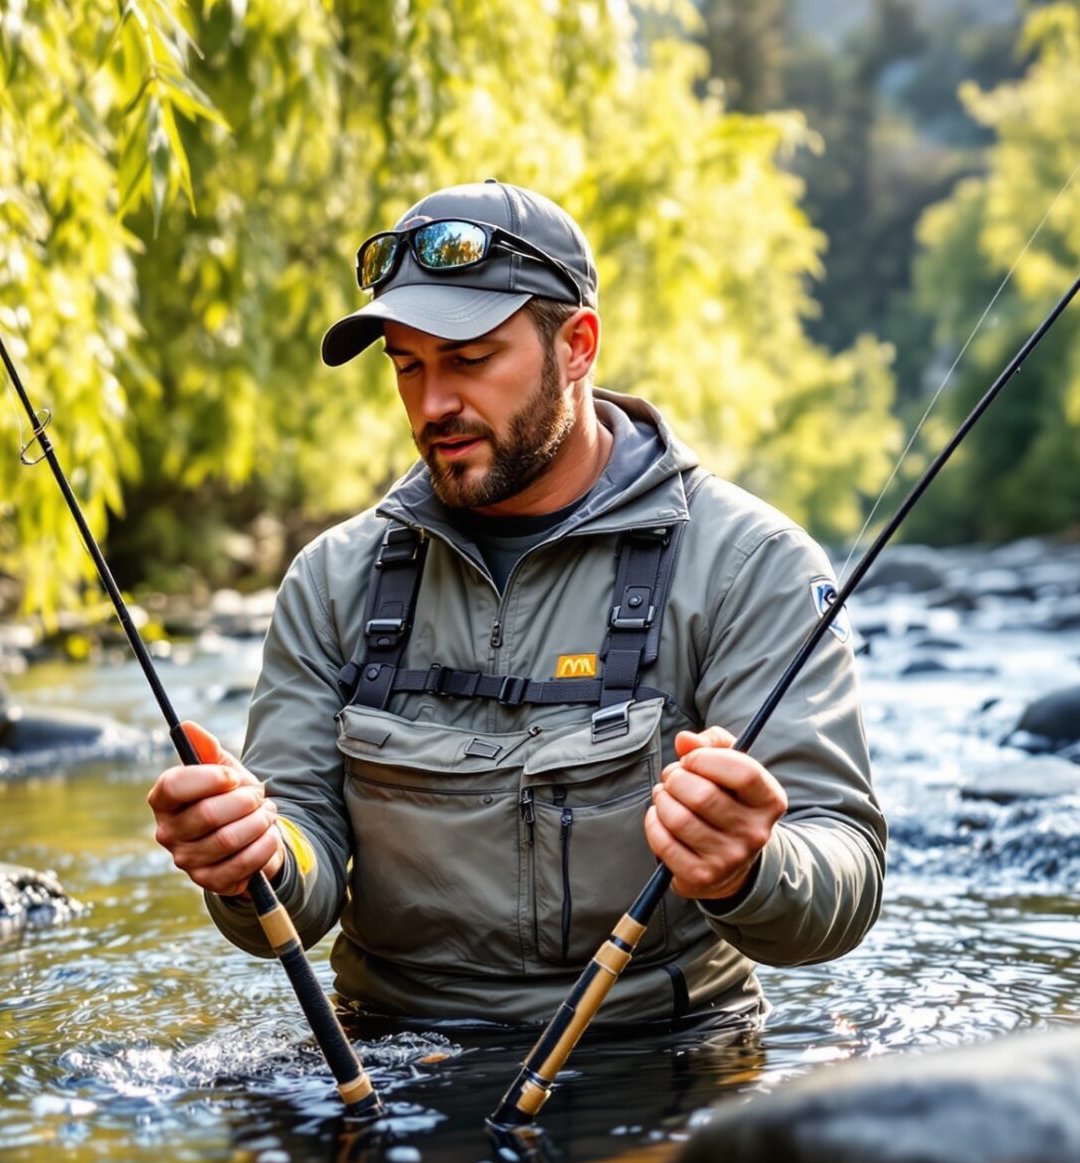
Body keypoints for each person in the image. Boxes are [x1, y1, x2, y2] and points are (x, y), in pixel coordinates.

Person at [149, 180, 885, 1029]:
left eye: (469, 359)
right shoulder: (331, 582)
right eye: (407, 364)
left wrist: (749, 868)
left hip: (658, 1056)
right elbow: (298, 872)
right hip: (389, 1058)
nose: (432, 406)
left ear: (577, 345)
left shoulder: (748, 564)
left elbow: (847, 871)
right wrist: (255, 857)